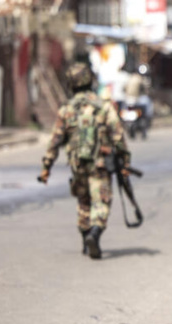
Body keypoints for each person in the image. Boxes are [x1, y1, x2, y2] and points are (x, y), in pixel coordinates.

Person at [38, 62, 131, 260]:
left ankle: (85, 241)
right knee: (101, 201)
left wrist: (46, 168)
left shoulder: (66, 110)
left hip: (77, 165)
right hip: (100, 165)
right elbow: (118, 137)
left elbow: (54, 142)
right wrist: (125, 161)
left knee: (83, 202)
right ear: (90, 81)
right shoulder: (104, 107)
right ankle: (94, 234)